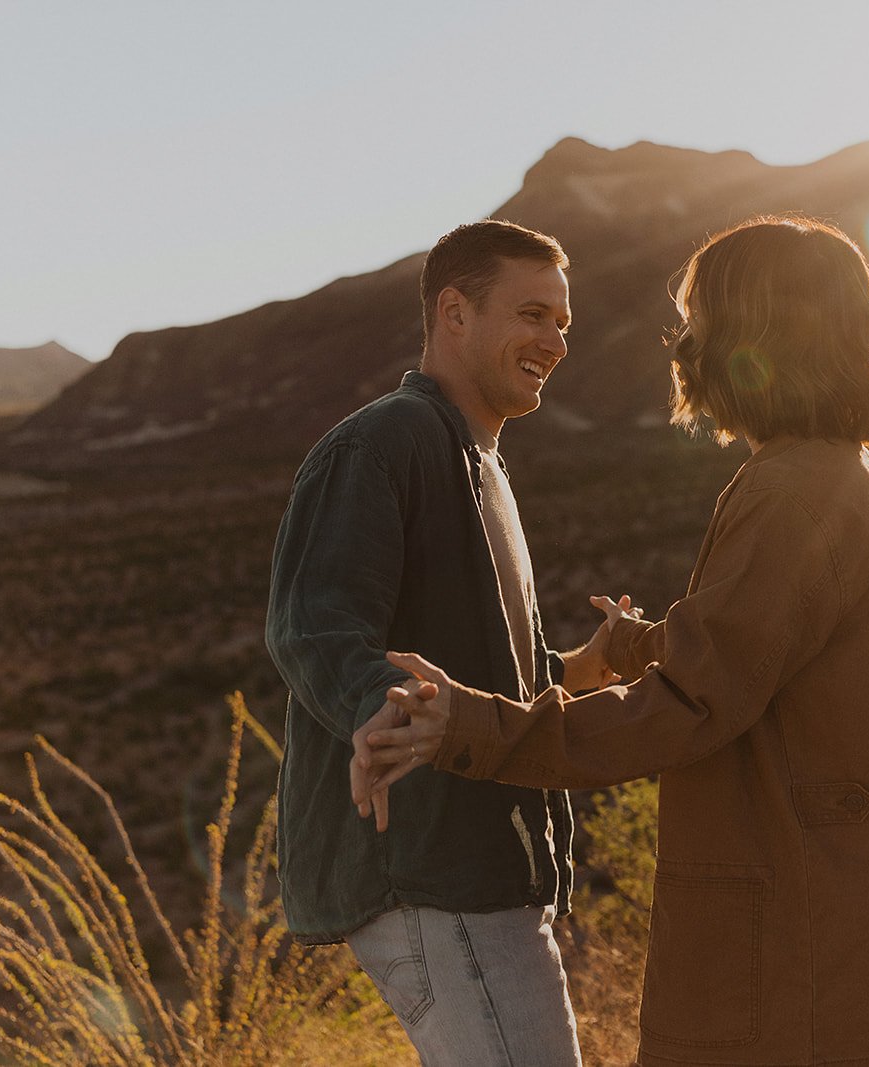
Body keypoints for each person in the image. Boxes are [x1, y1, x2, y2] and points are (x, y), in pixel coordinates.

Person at [353, 216, 869, 1066]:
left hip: (807, 964)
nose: (683, 344)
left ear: (751, 336)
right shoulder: (842, 471)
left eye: (698, 320)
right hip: (848, 941)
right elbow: (755, 648)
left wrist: (468, 725)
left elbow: (689, 705)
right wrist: (641, 643)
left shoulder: (792, 487)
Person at [265, 219, 617, 1066]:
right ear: (454, 312)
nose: (554, 340)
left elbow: (482, 668)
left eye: (563, 322)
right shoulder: (381, 442)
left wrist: (577, 671)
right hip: (430, 867)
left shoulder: (481, 460)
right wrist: (375, 712)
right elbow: (313, 624)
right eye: (532, 314)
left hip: (482, 865)